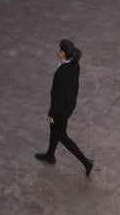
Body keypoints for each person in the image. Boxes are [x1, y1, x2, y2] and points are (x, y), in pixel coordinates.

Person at [35, 39, 95, 176]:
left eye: (58, 49)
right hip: (67, 107)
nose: (57, 50)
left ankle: (86, 162)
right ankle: (50, 155)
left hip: (60, 111)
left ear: (62, 53)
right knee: (54, 131)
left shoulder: (62, 73)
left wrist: (51, 114)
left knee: (62, 136)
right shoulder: (74, 65)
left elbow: (56, 97)